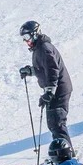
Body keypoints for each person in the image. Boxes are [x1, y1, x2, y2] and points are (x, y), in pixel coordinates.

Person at [19, 20, 73, 148]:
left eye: (27, 37)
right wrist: (30, 71)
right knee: (53, 123)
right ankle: (61, 153)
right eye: (23, 38)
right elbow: (42, 68)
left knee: (57, 123)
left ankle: (67, 156)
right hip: (55, 89)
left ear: (35, 34)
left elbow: (53, 69)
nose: (26, 41)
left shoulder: (44, 48)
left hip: (59, 89)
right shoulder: (39, 48)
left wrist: (49, 91)